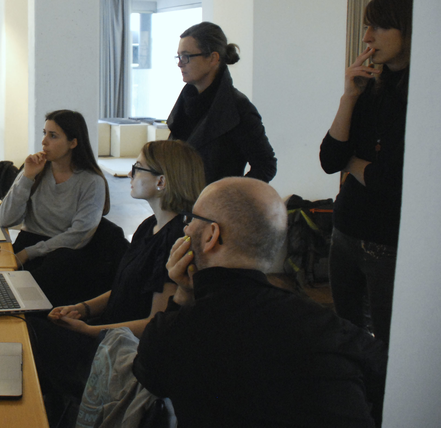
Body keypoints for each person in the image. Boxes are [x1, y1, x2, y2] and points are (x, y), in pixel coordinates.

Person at [133, 177, 387, 428]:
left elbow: (150, 376)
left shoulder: (173, 333)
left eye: (191, 220)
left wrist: (182, 295)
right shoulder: (330, 327)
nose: (186, 229)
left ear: (211, 235)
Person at [29, 140, 205, 426]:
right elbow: (125, 287)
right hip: (107, 335)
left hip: (124, 354)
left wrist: (90, 330)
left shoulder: (175, 241)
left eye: (138, 168)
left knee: (31, 335)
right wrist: (83, 308)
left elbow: (155, 323)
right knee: (32, 323)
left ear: (161, 182)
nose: (131, 174)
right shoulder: (148, 227)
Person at [320, 0, 412, 346]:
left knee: (388, 344)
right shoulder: (370, 88)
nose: (367, 38)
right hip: (345, 229)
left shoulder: (422, 97)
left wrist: (354, 163)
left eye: (379, 27)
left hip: (388, 241)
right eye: (366, 27)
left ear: (409, 29)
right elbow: (330, 160)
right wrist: (349, 96)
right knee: (346, 336)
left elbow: (391, 180)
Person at [0, 109, 110, 304]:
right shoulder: (36, 170)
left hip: (62, 254)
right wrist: (27, 177)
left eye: (53, 135)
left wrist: (28, 253)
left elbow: (79, 235)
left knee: (14, 295)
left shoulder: (91, 182)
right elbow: (5, 219)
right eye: (44, 133)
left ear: (73, 143)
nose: (44, 141)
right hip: (28, 243)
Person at [166, 21, 277, 184]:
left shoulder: (239, 108)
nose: (180, 63)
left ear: (213, 58)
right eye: (179, 56)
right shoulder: (186, 102)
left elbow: (266, 165)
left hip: (213, 200)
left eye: (186, 56)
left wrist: (226, 194)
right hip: (178, 198)